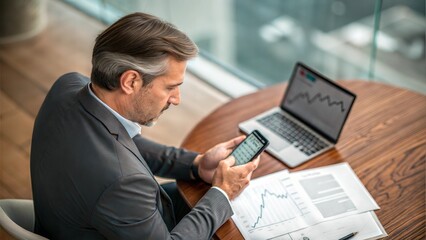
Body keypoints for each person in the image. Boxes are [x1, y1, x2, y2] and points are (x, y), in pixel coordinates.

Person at [30, 12, 259, 239]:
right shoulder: (124, 184)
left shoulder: (68, 86)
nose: (176, 99)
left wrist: (197, 164)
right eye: (171, 87)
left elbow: (124, 142)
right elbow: (119, 171)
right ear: (130, 81)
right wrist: (222, 193)